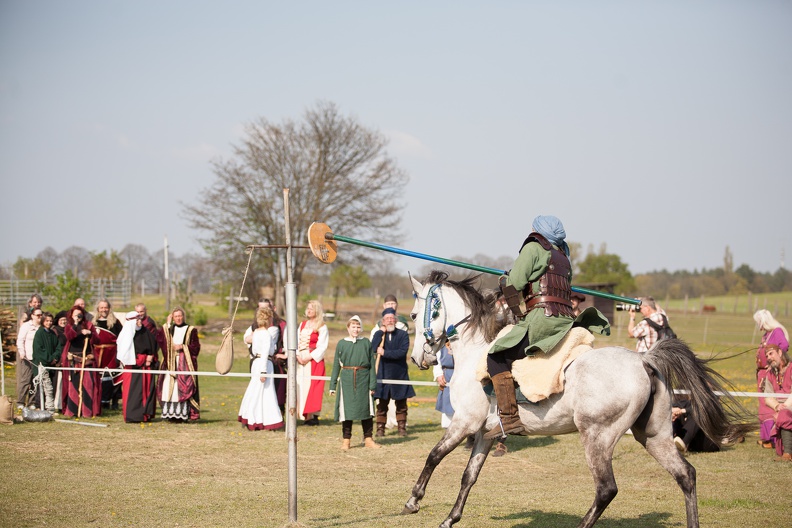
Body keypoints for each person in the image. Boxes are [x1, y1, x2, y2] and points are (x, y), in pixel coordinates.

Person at [484, 215, 610, 440]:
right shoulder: (563, 256)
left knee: (496, 356)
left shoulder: (533, 247)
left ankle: (509, 419)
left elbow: (516, 283)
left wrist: (505, 281)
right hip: (565, 319)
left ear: (537, 230)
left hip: (543, 318)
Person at [329, 315, 380, 450]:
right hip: (346, 380)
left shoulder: (366, 343)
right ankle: (346, 440)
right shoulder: (342, 343)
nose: (356, 329)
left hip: (363, 379)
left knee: (366, 410)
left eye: (358, 327)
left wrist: (372, 385)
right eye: (353, 327)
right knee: (347, 411)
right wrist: (332, 385)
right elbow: (336, 365)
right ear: (348, 328)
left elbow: (371, 365)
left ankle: (368, 439)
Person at [238, 306, 284, 431]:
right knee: (264, 392)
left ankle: (254, 417)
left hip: (256, 363)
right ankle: (260, 420)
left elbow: (254, 350)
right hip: (264, 363)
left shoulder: (256, 333)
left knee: (256, 390)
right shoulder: (266, 334)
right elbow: (264, 353)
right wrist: (263, 371)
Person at [372, 307, 415, 437]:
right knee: (382, 404)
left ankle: (401, 428)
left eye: (392, 318)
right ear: (383, 321)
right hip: (383, 373)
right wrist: (380, 333)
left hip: (399, 373)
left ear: (395, 320)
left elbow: (402, 353)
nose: (390, 321)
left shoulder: (402, 335)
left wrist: (385, 352)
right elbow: (373, 348)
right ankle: (380, 429)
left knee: (401, 404)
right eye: (387, 319)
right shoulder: (379, 334)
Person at [753, 310, 790, 449]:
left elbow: (784, 346)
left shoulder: (777, 331)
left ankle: (773, 438)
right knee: (762, 403)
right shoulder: (767, 334)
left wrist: (773, 362)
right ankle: (766, 437)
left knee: (769, 403)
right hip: (762, 373)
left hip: (770, 372)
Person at [157, 307, 201, 422]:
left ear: (183, 316)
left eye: (180, 316)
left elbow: (196, 348)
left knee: (182, 388)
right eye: (176, 316)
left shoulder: (191, 330)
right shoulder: (169, 329)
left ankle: (182, 414)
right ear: (173, 317)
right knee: (168, 387)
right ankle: (170, 414)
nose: (178, 318)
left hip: (184, 363)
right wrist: (167, 324)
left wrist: (183, 347)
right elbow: (160, 339)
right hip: (170, 362)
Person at [244, 298, 287, 412]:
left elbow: (257, 340)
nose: (262, 312)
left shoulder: (279, 325)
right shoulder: (257, 328)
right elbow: (246, 338)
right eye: (260, 308)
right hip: (260, 364)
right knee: (258, 390)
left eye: (266, 308)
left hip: (274, 363)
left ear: (273, 309)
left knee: (275, 392)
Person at [117, 311, 159, 423]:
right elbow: (125, 354)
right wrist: (142, 359)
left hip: (146, 368)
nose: (140, 322)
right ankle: (133, 415)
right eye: (137, 320)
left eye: (140, 319)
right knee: (133, 392)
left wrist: (151, 356)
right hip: (132, 368)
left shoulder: (146, 333)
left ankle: (146, 414)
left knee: (147, 391)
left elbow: (153, 346)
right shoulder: (126, 335)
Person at [60, 305, 101, 418]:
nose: (77, 317)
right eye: (75, 315)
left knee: (87, 385)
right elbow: (69, 336)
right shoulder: (69, 326)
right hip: (73, 359)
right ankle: (72, 411)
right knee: (73, 386)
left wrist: (90, 334)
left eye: (79, 315)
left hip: (86, 359)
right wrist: (77, 329)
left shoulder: (89, 325)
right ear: (71, 316)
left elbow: (97, 340)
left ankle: (86, 411)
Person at [292, 300, 328, 425]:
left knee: (312, 387)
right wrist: (297, 355)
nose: (308, 311)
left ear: (317, 311)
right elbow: (295, 341)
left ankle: (312, 416)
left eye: (311, 309)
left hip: (313, 360)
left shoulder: (322, 326)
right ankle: (302, 415)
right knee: (300, 385)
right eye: (307, 308)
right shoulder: (302, 325)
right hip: (300, 358)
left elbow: (322, 346)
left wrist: (309, 357)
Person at [760, 346, 792, 461]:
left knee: (783, 416)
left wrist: (784, 408)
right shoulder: (770, 374)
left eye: (771, 354)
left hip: (790, 405)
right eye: (767, 355)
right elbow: (767, 396)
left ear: (779, 352)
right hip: (781, 409)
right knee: (779, 451)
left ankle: (788, 454)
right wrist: (777, 406)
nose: (769, 357)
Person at [93, 299, 123, 410]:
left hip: (111, 353)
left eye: (106, 307)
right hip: (97, 353)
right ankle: (100, 401)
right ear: (98, 309)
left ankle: (114, 401)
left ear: (109, 308)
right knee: (99, 378)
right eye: (101, 307)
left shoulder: (115, 322)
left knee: (113, 377)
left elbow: (121, 338)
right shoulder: (93, 322)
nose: (104, 310)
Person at [31, 312, 59, 412]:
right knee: (41, 386)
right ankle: (39, 405)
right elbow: (39, 350)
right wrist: (49, 359)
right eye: (47, 320)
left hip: (51, 365)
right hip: (41, 364)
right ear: (43, 321)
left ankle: (49, 407)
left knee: (50, 387)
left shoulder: (52, 334)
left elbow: (58, 347)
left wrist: (55, 358)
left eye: (51, 321)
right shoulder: (39, 334)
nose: (49, 323)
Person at [15, 306, 41, 407]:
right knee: (25, 380)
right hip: (27, 357)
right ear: (32, 316)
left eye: (41, 315)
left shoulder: (41, 327)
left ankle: (32, 402)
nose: (40, 317)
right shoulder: (26, 326)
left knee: (35, 381)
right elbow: (20, 340)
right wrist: (22, 352)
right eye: (38, 315)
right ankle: (20, 401)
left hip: (37, 359)